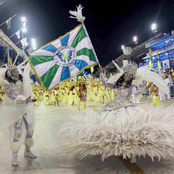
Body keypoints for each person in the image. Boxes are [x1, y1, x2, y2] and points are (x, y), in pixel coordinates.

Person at [54, 62, 173, 164]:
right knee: (114, 131)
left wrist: (147, 86)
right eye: (126, 75)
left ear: (131, 77)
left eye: (129, 76)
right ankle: (118, 150)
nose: (127, 77)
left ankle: (133, 154)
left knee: (131, 132)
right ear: (123, 75)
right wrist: (101, 73)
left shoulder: (131, 87)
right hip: (111, 108)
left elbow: (137, 93)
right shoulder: (116, 85)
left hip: (126, 108)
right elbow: (105, 84)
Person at [0, 64, 37, 166]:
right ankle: (14, 157)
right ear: (9, 74)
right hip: (16, 111)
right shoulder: (7, 85)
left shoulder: (22, 81)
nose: (17, 73)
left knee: (30, 130)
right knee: (18, 132)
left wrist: (29, 59)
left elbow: (29, 71)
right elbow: (13, 98)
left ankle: (28, 151)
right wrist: (27, 100)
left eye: (17, 71)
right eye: (14, 72)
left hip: (25, 109)